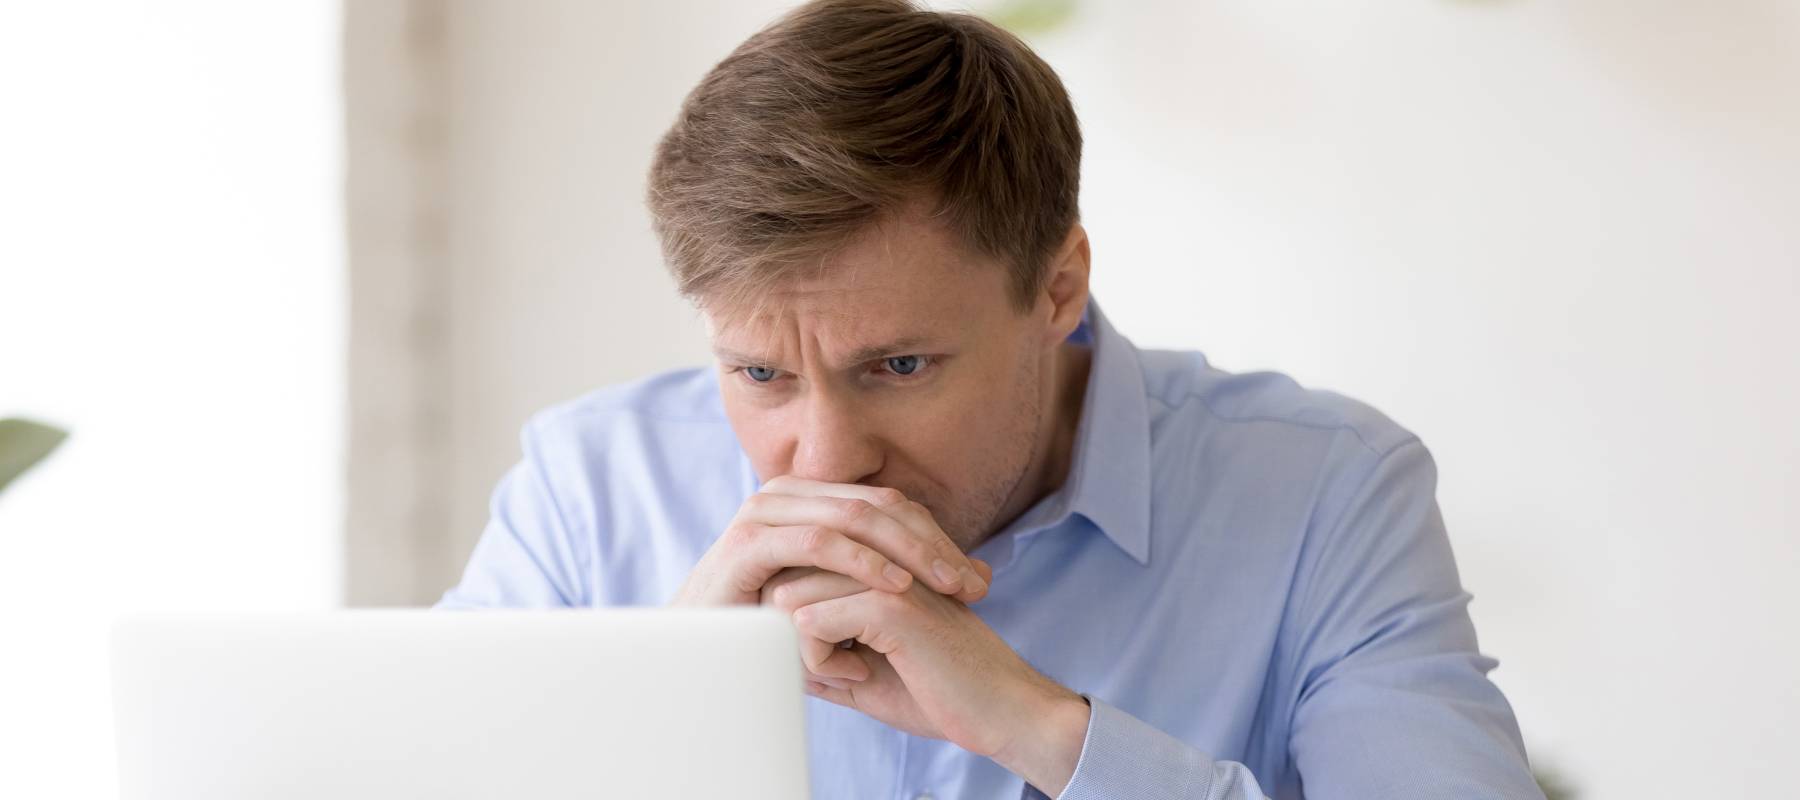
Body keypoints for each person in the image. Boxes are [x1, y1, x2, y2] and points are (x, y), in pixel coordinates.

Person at [438, 1, 1543, 797]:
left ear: (1058, 286)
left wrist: (1044, 731)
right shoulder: (589, 489)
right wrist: (661, 698)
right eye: (760, 373)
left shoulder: (1324, 495)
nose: (822, 461)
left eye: (899, 366)